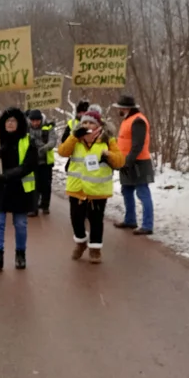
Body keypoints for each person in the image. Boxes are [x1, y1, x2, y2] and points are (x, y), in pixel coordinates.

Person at [57, 109, 125, 264]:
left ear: (98, 125)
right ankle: (81, 242)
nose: (87, 125)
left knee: (96, 220)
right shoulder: (76, 139)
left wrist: (108, 155)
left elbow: (120, 161)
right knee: (76, 219)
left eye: (91, 123)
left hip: (98, 189)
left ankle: (95, 249)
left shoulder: (108, 140)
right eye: (85, 122)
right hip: (77, 187)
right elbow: (62, 152)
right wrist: (74, 137)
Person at [0, 108, 38, 272]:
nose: (10, 123)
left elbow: (30, 165)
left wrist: (10, 174)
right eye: (7, 121)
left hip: (19, 188)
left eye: (13, 121)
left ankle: (20, 254)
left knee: (20, 223)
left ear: (19, 123)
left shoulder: (27, 140)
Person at [113, 95, 155, 235]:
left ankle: (147, 225)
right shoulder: (128, 119)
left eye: (119, 107)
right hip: (127, 162)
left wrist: (129, 161)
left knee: (142, 192)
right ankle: (130, 220)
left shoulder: (138, 121)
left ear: (126, 108)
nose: (118, 109)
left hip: (138, 162)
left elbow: (138, 145)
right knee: (127, 190)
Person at [27, 110, 58, 216]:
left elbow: (52, 141)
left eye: (37, 121)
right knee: (34, 184)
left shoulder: (48, 127)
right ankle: (33, 207)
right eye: (33, 121)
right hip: (32, 161)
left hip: (46, 161)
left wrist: (42, 149)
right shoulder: (26, 128)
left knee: (46, 184)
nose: (35, 123)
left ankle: (45, 205)